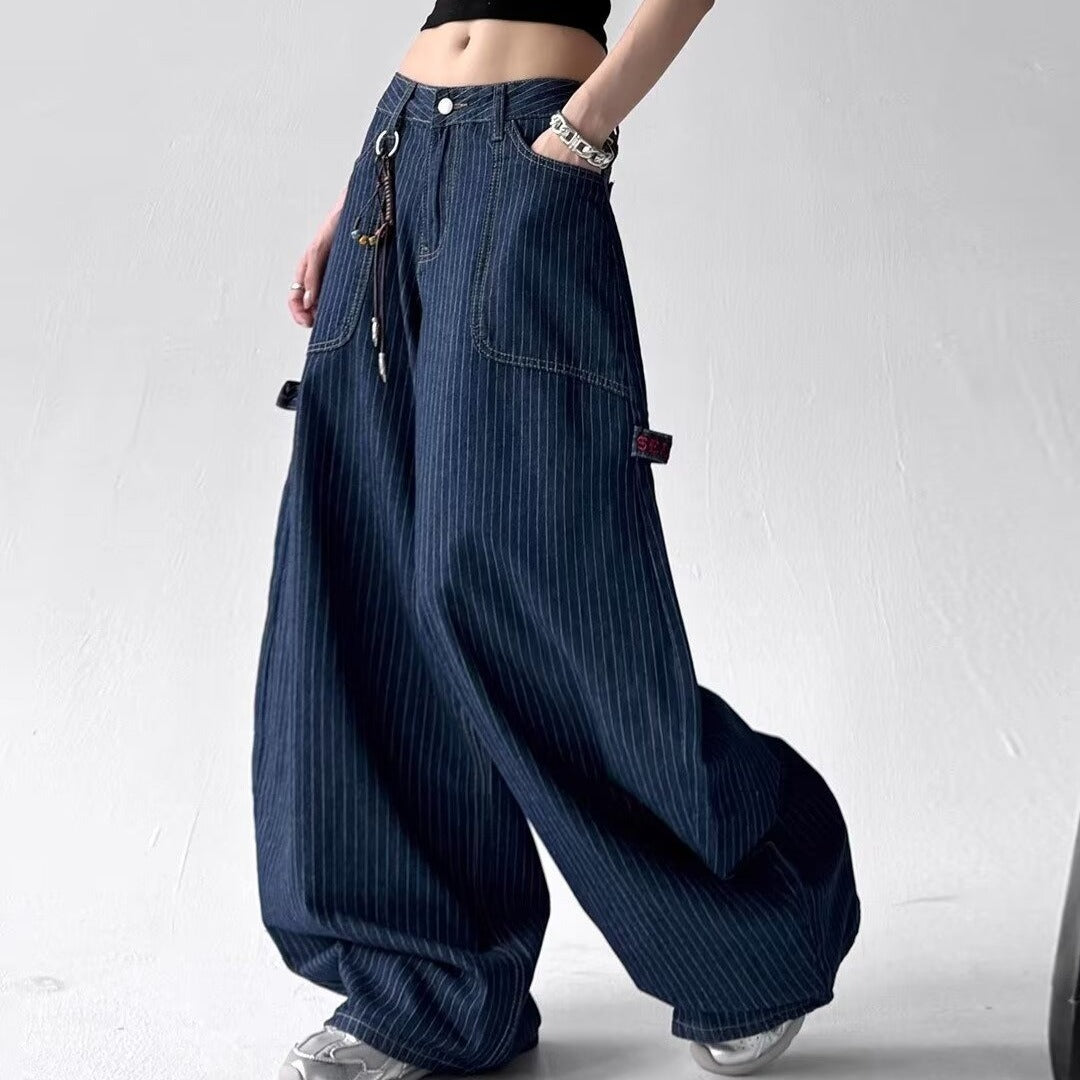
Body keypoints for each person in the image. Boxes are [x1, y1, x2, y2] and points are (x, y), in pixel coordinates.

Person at [252, 3, 862, 1078]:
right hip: (399, 156)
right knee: (368, 580)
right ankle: (430, 987)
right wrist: (360, 194)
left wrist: (582, 129)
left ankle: (749, 927)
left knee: (519, 581)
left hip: (531, 147)